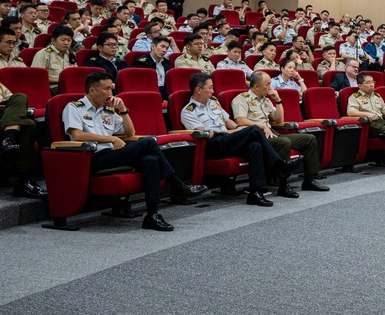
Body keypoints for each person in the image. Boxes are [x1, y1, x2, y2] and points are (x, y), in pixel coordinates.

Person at [63, 72, 208, 231]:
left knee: (151, 161)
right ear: (92, 91)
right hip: (92, 158)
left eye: (111, 89)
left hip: (113, 154)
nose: (110, 93)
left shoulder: (108, 110)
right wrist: (111, 139)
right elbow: (77, 135)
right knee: (147, 142)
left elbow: (130, 133)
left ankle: (152, 215)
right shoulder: (74, 107)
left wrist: (123, 110)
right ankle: (177, 184)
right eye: (106, 89)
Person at [180, 73, 293, 207]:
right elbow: (204, 133)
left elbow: (227, 121)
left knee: (255, 145)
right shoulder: (188, 111)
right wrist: (234, 132)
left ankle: (255, 192)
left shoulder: (213, 103)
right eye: (210, 88)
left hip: (228, 139)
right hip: (212, 145)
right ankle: (279, 164)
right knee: (255, 129)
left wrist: (239, 128)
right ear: (198, 89)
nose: (213, 91)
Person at [230, 72, 329, 197]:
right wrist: (262, 126)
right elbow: (240, 120)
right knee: (284, 142)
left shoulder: (265, 100)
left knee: (309, 139)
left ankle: (309, 180)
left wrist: (278, 100)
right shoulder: (242, 99)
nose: (270, 87)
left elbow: (279, 120)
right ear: (256, 86)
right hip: (257, 136)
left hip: (272, 132)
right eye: (267, 85)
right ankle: (283, 184)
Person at [1, 80, 44, 198]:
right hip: (5, 119)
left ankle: (9, 140)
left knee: (20, 97)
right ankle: (24, 181)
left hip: (4, 120)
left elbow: (12, 102)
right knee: (28, 124)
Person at [32, 25, 74, 93]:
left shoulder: (71, 55)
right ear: (53, 41)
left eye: (69, 40)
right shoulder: (44, 53)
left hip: (68, 86)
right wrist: (60, 80)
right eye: (63, 40)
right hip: (51, 88)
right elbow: (36, 77)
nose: (66, 43)